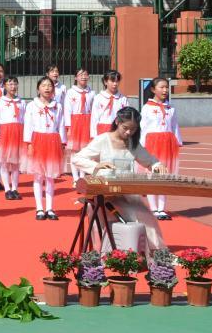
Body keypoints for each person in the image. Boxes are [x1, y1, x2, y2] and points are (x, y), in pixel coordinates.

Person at [71, 106, 169, 261]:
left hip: (127, 192)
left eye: (133, 129)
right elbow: (77, 158)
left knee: (146, 217)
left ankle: (155, 255)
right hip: (105, 193)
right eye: (125, 128)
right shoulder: (104, 139)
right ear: (117, 121)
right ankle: (105, 254)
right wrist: (96, 166)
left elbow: (150, 161)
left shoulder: (133, 144)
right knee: (105, 216)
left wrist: (157, 166)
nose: (129, 133)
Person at [24, 76, 66, 221]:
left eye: (50, 85)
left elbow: (61, 124)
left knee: (50, 176)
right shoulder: (32, 106)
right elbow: (28, 125)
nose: (47, 88)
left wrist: (62, 142)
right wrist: (29, 143)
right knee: (38, 176)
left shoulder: (57, 106)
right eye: (44, 85)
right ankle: (39, 208)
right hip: (38, 141)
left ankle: (50, 207)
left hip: (53, 141)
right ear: (38, 89)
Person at [139, 77, 182, 220]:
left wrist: (178, 142)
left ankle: (162, 209)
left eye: (166, 87)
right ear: (153, 89)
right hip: (152, 143)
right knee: (152, 175)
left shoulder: (171, 108)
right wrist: (141, 147)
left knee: (165, 175)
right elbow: (143, 128)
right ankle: (153, 209)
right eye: (161, 87)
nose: (165, 90)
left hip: (168, 143)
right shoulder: (147, 108)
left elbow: (175, 126)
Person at [0, 76, 25, 201]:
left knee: (15, 163)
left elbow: (24, 119)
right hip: (5, 133)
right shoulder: (0, 102)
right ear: (5, 86)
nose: (13, 87)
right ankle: (7, 189)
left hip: (18, 133)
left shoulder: (21, 102)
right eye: (10, 84)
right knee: (5, 163)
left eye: (15, 84)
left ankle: (15, 188)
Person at [63, 67, 94, 183]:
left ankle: (82, 176)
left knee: (85, 151)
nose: (83, 77)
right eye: (80, 75)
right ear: (75, 77)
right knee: (74, 151)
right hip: (75, 122)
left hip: (87, 121)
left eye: (85, 74)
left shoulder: (91, 93)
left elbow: (93, 109)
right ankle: (75, 177)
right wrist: (69, 127)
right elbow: (67, 110)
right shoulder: (71, 92)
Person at [90, 70, 128, 137]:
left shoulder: (123, 99)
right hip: (102, 130)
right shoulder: (98, 98)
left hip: (117, 130)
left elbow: (127, 117)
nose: (115, 84)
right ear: (105, 82)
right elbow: (94, 118)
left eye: (117, 81)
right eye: (112, 81)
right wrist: (94, 135)